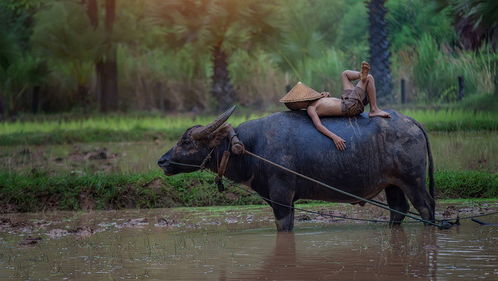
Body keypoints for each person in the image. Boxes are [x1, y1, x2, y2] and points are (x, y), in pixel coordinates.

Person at [281, 62, 390, 151]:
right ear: (299, 104)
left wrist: (325, 96)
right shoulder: (311, 109)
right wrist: (334, 137)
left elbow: (330, 104)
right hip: (350, 106)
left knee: (345, 74)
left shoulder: (316, 100)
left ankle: (361, 76)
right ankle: (374, 109)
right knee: (369, 78)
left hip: (346, 100)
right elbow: (319, 126)